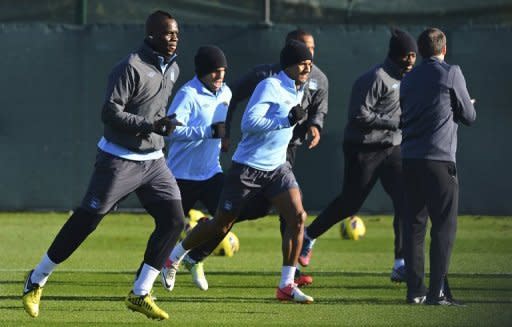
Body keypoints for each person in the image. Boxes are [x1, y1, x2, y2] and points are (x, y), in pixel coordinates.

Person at [22, 10, 184, 320]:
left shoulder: (173, 68)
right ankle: (37, 278)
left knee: (174, 220)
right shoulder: (130, 66)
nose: (174, 37)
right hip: (118, 160)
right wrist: (150, 125)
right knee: (87, 221)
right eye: (167, 33)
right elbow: (110, 113)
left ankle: (140, 293)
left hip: (154, 161)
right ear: (151, 35)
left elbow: (156, 112)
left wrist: (163, 126)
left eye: (176, 32)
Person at [164, 29, 328, 290]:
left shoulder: (299, 87)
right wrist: (286, 120)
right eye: (303, 62)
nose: (309, 67)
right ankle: (174, 257)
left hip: (277, 167)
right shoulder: (270, 85)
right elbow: (249, 123)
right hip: (247, 168)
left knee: (298, 216)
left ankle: (286, 284)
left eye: (310, 62)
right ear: (289, 65)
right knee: (221, 223)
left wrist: (307, 124)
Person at [298, 28, 418, 283]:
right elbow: (358, 115)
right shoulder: (376, 77)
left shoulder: (409, 77)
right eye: (408, 56)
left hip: (392, 148)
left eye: (414, 56)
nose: (411, 61)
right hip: (363, 148)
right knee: (350, 204)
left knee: (406, 200)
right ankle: (309, 235)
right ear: (397, 55)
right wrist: (394, 122)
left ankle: (401, 263)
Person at [400, 27, 476, 305]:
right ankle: (437, 293)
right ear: (443, 49)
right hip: (439, 160)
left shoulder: (408, 79)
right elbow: (469, 115)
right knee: (444, 227)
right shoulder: (451, 72)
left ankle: (415, 291)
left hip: (409, 159)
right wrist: (461, 105)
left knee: (414, 227)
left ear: (420, 51)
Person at [163, 45, 231, 291]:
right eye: (214, 71)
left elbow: (221, 121)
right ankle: (143, 285)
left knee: (227, 219)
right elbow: (170, 131)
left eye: (222, 70)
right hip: (181, 176)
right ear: (202, 71)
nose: (219, 76)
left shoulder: (226, 92)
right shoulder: (187, 94)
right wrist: (208, 132)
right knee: (169, 231)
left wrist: (223, 137)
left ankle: (194, 258)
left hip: (212, 172)